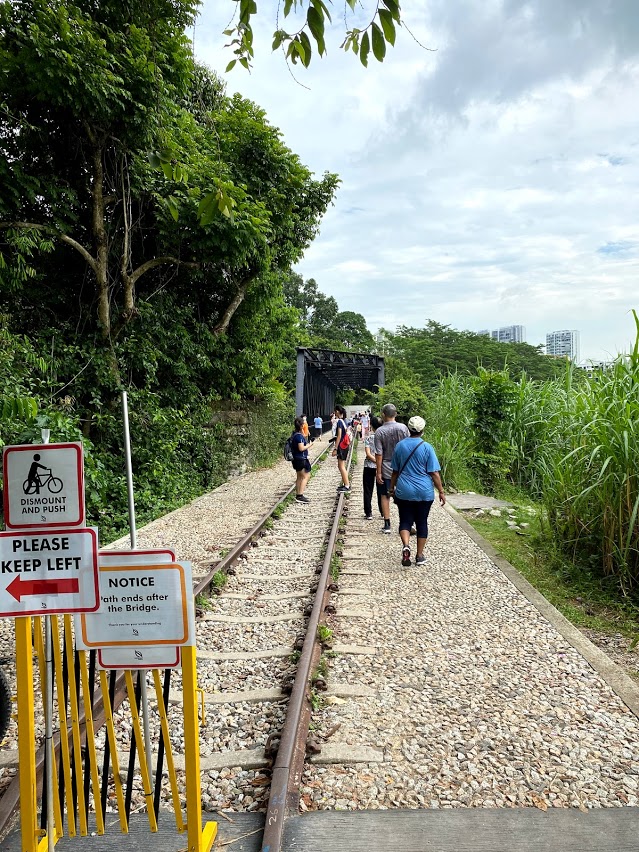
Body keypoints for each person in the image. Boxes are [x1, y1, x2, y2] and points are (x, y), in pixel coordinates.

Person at [390, 415, 446, 567]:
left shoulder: (400, 446)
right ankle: (419, 555)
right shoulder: (427, 447)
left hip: (404, 490)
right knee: (422, 522)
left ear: (408, 429)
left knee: (405, 520)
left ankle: (406, 545)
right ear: (423, 430)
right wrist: (441, 491)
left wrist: (391, 488)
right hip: (424, 492)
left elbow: (394, 471)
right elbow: (434, 473)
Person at [374, 403, 409, 534]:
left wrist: (378, 472)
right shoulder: (403, 428)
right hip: (403, 467)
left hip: (386, 467)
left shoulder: (380, 431)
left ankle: (387, 524)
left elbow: (379, 454)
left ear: (383, 415)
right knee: (405, 496)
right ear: (395, 414)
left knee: (385, 495)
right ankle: (406, 523)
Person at [363, 415, 383, 520]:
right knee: (381, 490)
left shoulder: (369, 438)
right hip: (381, 467)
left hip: (369, 466)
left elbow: (367, 453)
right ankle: (383, 512)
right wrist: (379, 462)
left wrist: (374, 460)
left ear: (372, 426)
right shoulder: (384, 437)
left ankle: (368, 513)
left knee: (367, 489)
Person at [290, 417, 311, 503]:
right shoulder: (299, 437)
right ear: (302, 426)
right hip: (301, 459)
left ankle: (298, 494)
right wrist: (310, 445)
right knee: (306, 476)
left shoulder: (294, 435)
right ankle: (300, 495)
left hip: (296, 459)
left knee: (299, 477)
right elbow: (301, 448)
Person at [332, 404, 350, 493]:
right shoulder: (345, 421)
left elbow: (339, 436)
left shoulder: (339, 421)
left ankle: (347, 485)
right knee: (341, 465)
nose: (334, 413)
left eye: (335, 411)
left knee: (341, 466)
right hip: (345, 445)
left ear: (338, 411)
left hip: (341, 446)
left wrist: (335, 448)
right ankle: (345, 484)